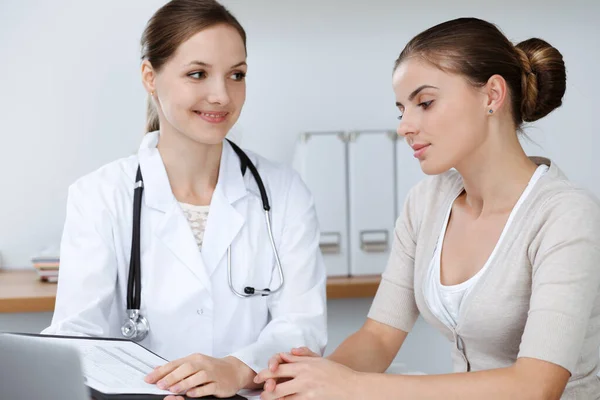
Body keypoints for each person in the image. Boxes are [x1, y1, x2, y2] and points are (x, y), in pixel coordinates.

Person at [255, 17, 600, 399]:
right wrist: (310, 378)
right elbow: (379, 337)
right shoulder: (426, 202)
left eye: (425, 103)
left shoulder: (566, 215)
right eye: (401, 109)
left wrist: (352, 386)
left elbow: (536, 387)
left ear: (492, 95)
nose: (405, 126)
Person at [42, 0, 327, 398]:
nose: (221, 95)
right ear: (150, 77)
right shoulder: (100, 195)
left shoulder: (283, 192)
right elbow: (75, 340)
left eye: (236, 75)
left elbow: (303, 326)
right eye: (198, 74)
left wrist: (237, 369)